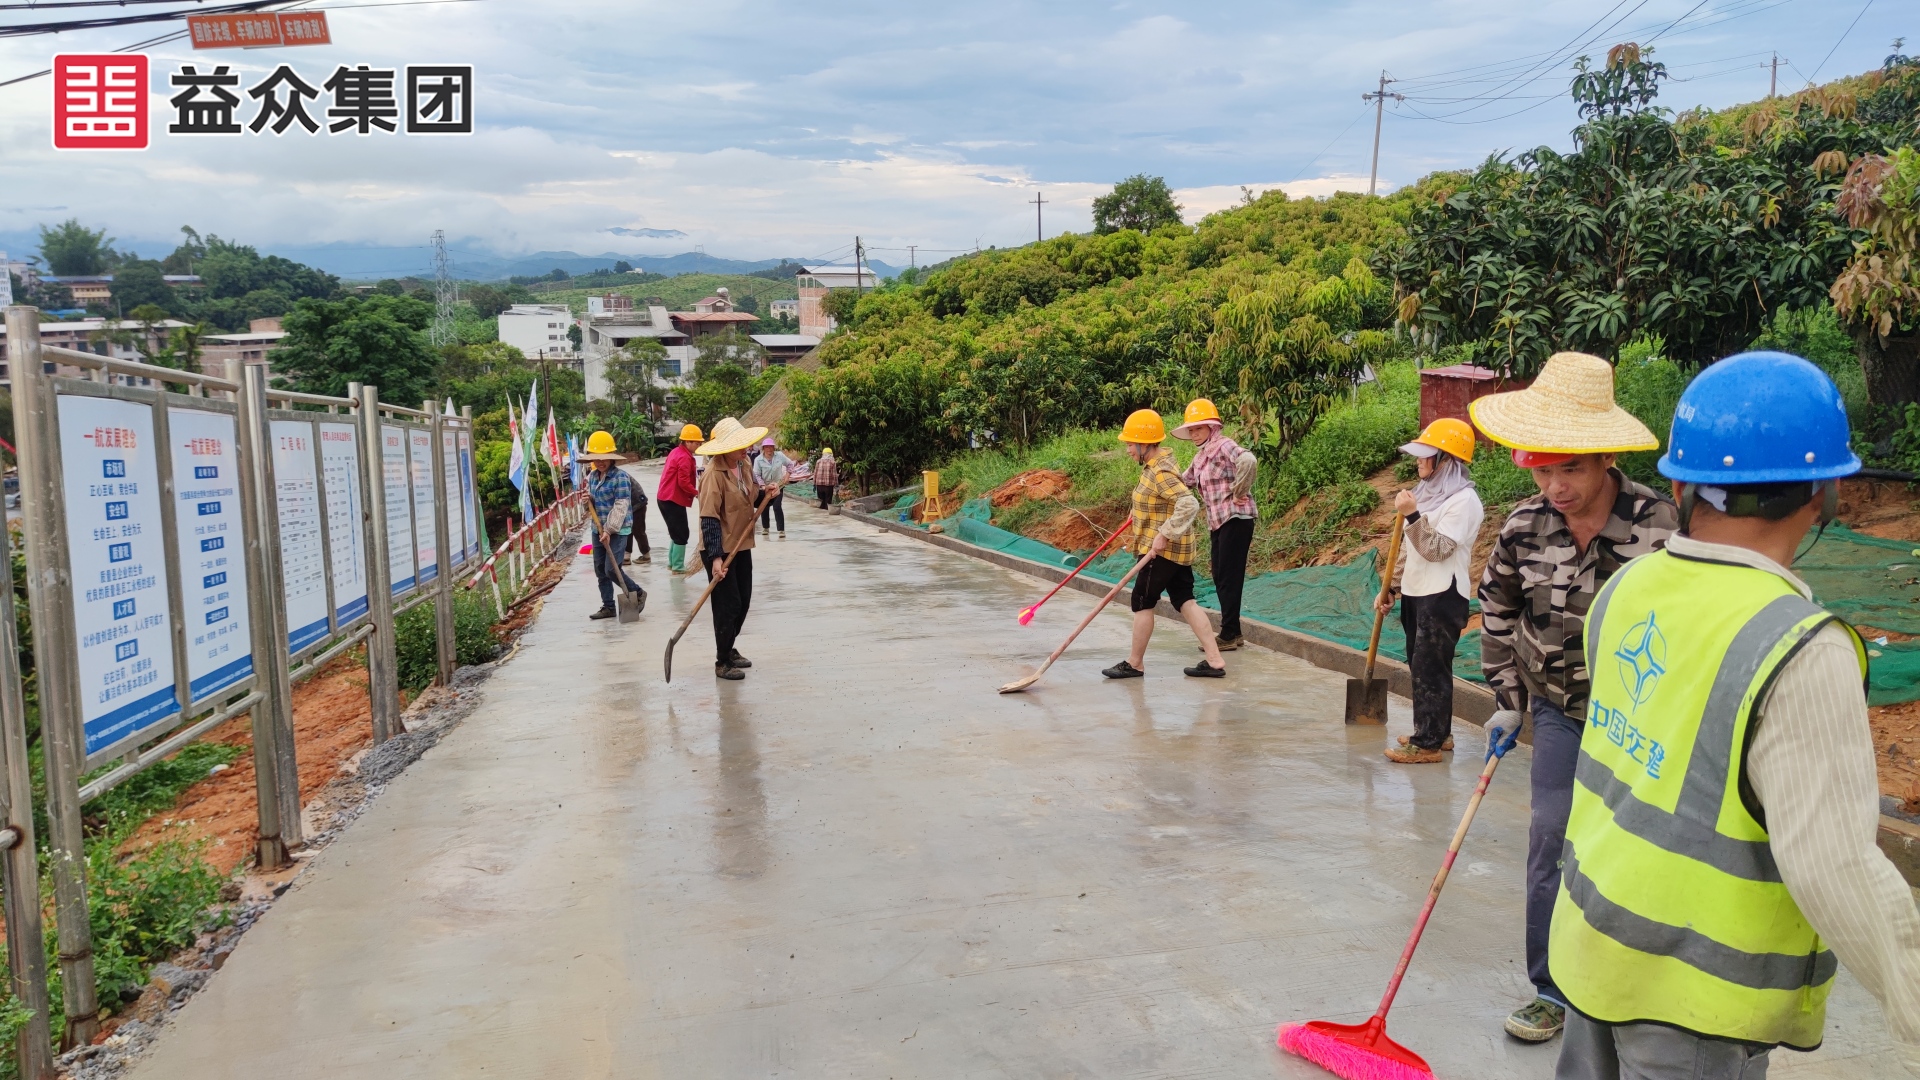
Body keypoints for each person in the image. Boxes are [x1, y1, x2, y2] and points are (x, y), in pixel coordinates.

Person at [1550, 351, 1920, 1080]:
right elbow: (1832, 865)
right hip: (1691, 1000)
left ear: (1681, 484)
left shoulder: (1627, 587)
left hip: (1591, 940)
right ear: (1826, 493)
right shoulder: (1799, 648)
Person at [1472, 352, 1678, 1043]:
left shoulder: (1664, 526)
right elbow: (1496, 606)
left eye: (1571, 469)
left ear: (1605, 458)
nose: (1554, 486)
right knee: (1550, 841)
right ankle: (1552, 990)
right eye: (1542, 468)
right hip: (1559, 713)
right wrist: (1506, 694)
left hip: (1643, 722)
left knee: (1640, 849)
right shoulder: (1523, 527)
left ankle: (1634, 985)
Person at [1378, 418, 1484, 764]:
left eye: (1426, 456)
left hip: (1443, 595)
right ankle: (1437, 730)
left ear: (1447, 460)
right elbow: (1407, 549)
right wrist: (1391, 587)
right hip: (1416, 591)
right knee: (1419, 662)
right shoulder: (1425, 495)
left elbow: (1437, 549)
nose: (1419, 462)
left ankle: (1428, 744)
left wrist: (1411, 516)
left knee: (1431, 666)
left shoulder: (1464, 502)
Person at [1102, 409, 1228, 680]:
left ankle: (1135, 664)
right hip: (1177, 550)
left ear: (1145, 443)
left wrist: (1164, 533)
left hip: (1160, 551)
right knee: (1185, 600)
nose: (1127, 450)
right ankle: (1215, 660)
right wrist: (1139, 511)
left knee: (1142, 601)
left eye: (1129, 444)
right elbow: (1162, 500)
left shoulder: (1160, 470)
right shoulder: (1157, 466)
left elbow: (1187, 502)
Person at [1173, 398, 1258, 652]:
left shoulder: (1223, 445)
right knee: (1220, 575)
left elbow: (1249, 460)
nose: (1194, 433)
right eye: (1191, 430)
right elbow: (1183, 481)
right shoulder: (1201, 457)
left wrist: (1239, 488)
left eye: (1199, 428)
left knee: (1228, 577)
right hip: (1218, 522)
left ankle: (1229, 633)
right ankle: (1235, 631)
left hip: (1236, 518)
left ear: (1212, 427)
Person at [696, 417, 771, 680]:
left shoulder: (744, 464)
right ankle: (722, 661)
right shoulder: (712, 476)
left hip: (741, 544)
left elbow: (751, 494)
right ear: (723, 449)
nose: (746, 448)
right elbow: (709, 518)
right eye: (739, 445)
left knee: (744, 601)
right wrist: (716, 558)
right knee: (728, 605)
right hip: (720, 548)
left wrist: (765, 494)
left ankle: (729, 648)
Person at [578, 430, 645, 621]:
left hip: (618, 529)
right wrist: (587, 499)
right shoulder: (592, 477)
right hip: (596, 528)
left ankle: (637, 592)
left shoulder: (620, 478)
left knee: (611, 568)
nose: (600, 462)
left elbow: (621, 506)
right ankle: (608, 606)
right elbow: (589, 507)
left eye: (604, 458)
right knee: (600, 569)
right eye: (596, 458)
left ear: (611, 457)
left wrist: (608, 530)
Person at [658, 423, 701, 574]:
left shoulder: (676, 452)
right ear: (687, 442)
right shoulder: (684, 457)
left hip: (665, 498)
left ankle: (672, 563)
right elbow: (683, 482)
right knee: (682, 533)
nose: (698, 445)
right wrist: (697, 492)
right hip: (672, 499)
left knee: (675, 532)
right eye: (696, 442)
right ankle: (677, 566)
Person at [753, 436, 791, 537]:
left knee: (777, 506)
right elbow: (756, 474)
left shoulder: (779, 456)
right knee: (764, 506)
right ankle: (765, 528)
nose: (769, 449)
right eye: (767, 447)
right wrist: (763, 485)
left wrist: (787, 475)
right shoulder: (758, 460)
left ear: (774, 448)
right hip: (765, 486)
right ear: (763, 449)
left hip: (779, 485)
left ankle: (781, 530)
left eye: (771, 447)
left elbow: (790, 464)